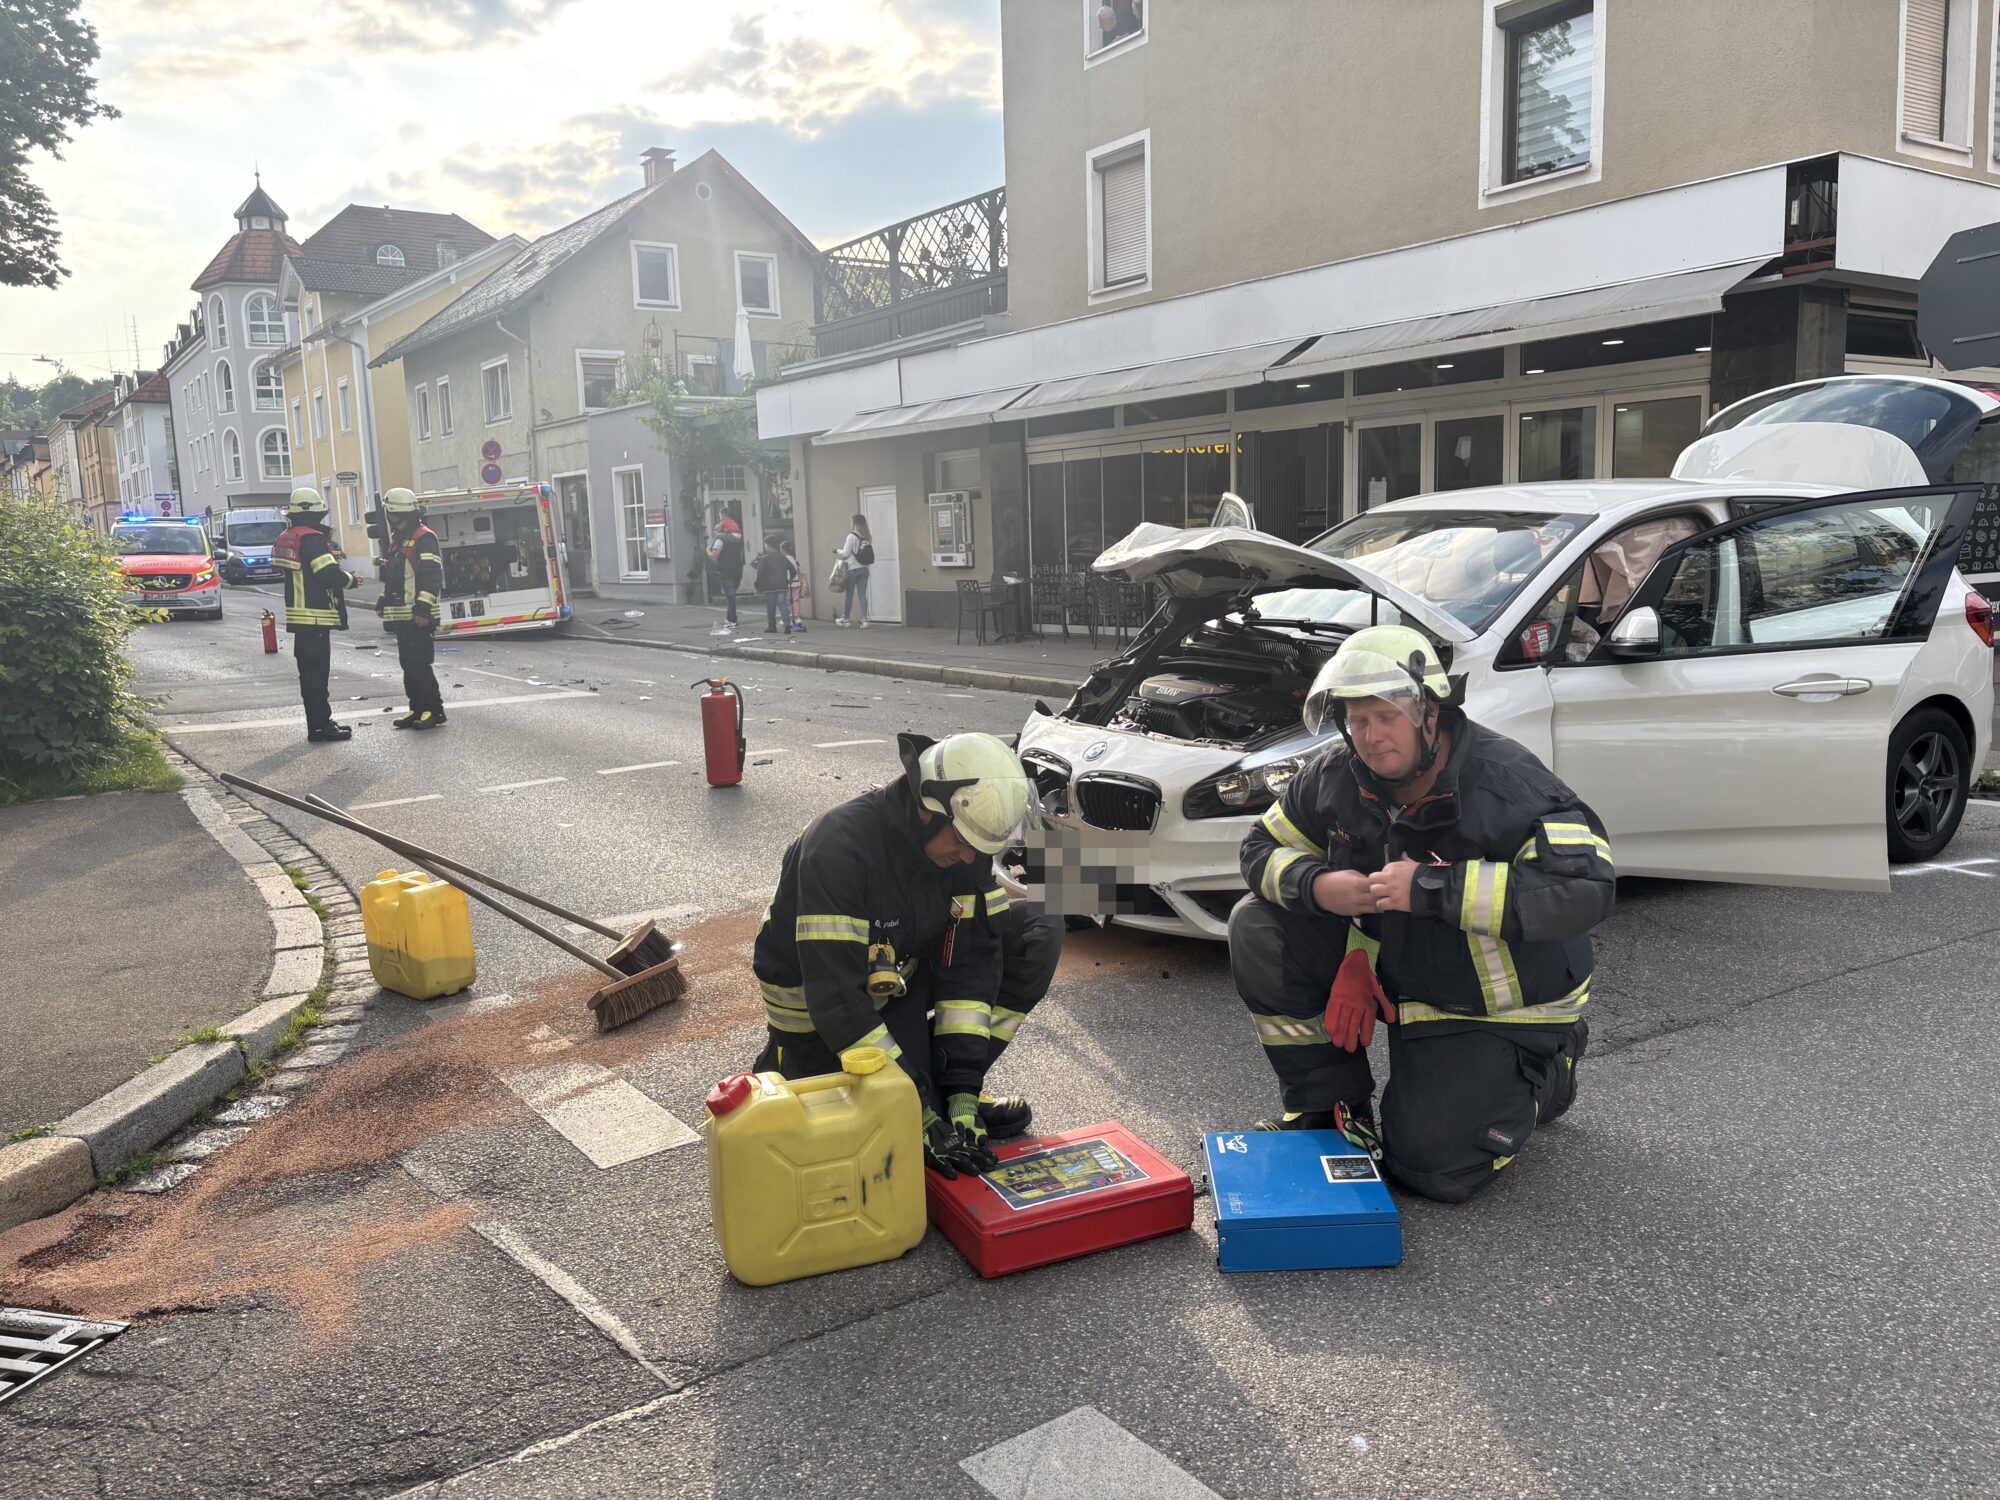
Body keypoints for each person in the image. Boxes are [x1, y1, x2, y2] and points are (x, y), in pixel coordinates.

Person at [1231, 624, 1613, 1203]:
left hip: (1502, 1006)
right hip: (1405, 973)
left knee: (1433, 1168)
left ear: (1429, 713)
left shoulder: (1507, 785)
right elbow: (1260, 847)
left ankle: (1549, 1070)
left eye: (1388, 717)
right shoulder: (1335, 776)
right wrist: (1319, 887)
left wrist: (1434, 887)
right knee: (1257, 924)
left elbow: (1584, 889)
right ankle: (1329, 1108)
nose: (1372, 737)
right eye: (1358, 719)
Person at [750, 732, 1066, 1177]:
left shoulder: (965, 846)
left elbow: (972, 963)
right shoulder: (838, 847)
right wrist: (912, 1110)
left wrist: (963, 1088)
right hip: (822, 1027)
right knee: (872, 1143)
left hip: (893, 987)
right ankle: (914, 1096)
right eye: (963, 841)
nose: (969, 857)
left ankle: (943, 1093)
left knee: (1039, 927)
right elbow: (837, 999)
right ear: (925, 810)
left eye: (979, 848)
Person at [272, 487, 356, 743]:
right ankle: (320, 727)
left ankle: (319, 723)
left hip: (301, 619)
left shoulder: (289, 537)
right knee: (317, 677)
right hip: (315, 617)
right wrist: (350, 580)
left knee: (310, 676)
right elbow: (327, 573)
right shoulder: (311, 539)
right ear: (316, 514)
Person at [373, 487, 446, 730]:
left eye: (390, 513)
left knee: (419, 664)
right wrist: (383, 600)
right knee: (409, 664)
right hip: (405, 616)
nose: (388, 518)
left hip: (418, 616)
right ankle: (417, 707)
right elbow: (395, 577)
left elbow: (431, 576)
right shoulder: (400, 540)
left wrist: (423, 610)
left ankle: (433, 710)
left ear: (398, 514)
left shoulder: (424, 538)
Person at [707, 509, 745, 637]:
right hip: (738, 570)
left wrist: (708, 551)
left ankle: (733, 620)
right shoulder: (738, 539)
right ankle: (730, 619)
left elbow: (714, 556)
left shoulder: (720, 541)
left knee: (730, 597)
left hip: (725, 571)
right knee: (732, 596)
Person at [833, 513, 872, 629]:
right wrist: (839, 551)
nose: (850, 524)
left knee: (849, 595)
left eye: (851, 522)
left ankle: (846, 619)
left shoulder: (851, 536)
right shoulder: (867, 536)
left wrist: (838, 552)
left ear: (855, 523)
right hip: (864, 569)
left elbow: (846, 554)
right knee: (862, 595)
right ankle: (864, 620)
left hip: (852, 569)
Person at [752, 535, 793, 634]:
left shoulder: (764, 559)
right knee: (783, 605)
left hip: (769, 587)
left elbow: (760, 573)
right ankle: (787, 625)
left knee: (771, 607)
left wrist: (757, 585)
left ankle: (772, 626)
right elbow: (793, 569)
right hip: (782, 586)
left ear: (766, 545)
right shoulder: (782, 557)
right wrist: (788, 580)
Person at [781, 538, 806, 633]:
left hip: (789, 583)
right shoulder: (795, 558)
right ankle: (797, 617)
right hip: (797, 582)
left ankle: (787, 617)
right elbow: (799, 570)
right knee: (795, 601)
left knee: (787, 601)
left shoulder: (784, 559)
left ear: (783, 549)